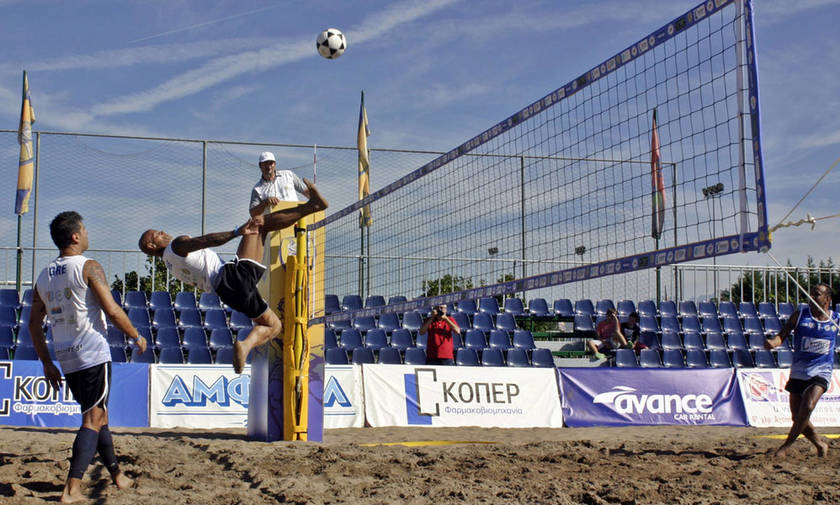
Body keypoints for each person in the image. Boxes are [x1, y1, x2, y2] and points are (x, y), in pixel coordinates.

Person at [138, 179, 327, 374]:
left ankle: (246, 345)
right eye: (157, 234)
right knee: (259, 226)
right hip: (231, 278)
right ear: (152, 246)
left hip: (227, 291)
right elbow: (205, 240)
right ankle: (311, 206)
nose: (163, 232)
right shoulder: (175, 246)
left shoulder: (169, 264)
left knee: (273, 324)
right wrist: (235, 232)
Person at [29, 211, 147, 503]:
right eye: (84, 228)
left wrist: (46, 362)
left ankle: (117, 475)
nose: (87, 233)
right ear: (75, 236)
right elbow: (112, 309)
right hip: (92, 352)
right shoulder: (89, 267)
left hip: (66, 357)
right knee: (93, 419)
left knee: (99, 416)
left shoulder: (44, 275)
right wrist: (136, 335)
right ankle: (72, 488)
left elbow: (33, 323)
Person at [765, 282, 838, 458]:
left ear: (827, 299)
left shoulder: (835, 319)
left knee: (808, 405)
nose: (812, 297)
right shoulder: (799, 316)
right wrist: (772, 343)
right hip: (799, 371)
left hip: (821, 372)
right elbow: (782, 335)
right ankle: (820, 444)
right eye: (811, 294)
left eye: (817, 294)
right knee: (797, 417)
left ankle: (786, 446)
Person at [249, 151, 311, 217]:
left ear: (275, 164)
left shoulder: (288, 175)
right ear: (260, 165)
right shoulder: (257, 189)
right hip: (274, 225)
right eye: (265, 163)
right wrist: (265, 202)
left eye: (271, 163)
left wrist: (316, 203)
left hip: (295, 220)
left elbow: (308, 193)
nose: (269, 166)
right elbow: (253, 213)